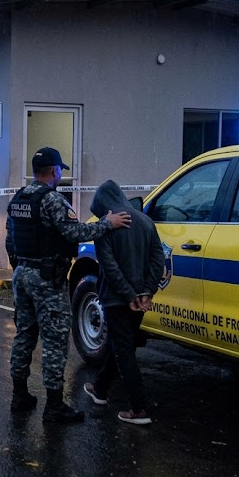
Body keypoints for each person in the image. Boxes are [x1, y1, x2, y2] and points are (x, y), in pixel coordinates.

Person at [5, 147, 131, 422]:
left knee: (24, 334)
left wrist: (22, 267)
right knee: (55, 340)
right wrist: (108, 223)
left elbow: (10, 240)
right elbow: (76, 232)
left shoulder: (19, 198)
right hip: (46, 280)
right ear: (53, 171)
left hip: (22, 274)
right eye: (59, 170)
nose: (60, 174)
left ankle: (19, 395)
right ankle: (54, 406)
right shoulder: (52, 200)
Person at [82, 180, 164, 425]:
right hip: (139, 299)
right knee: (121, 343)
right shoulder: (146, 221)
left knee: (124, 350)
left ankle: (139, 408)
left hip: (116, 298)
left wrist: (128, 295)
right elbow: (158, 258)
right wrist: (146, 291)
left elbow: (109, 267)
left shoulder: (106, 227)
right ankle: (99, 389)